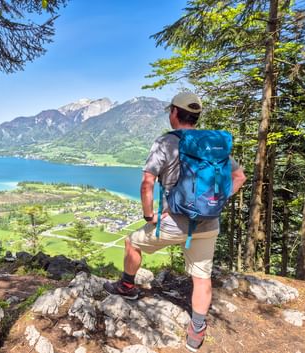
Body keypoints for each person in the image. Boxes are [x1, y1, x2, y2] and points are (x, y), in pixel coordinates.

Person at [103, 92, 247, 352]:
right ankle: (196, 332)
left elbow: (147, 183)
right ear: (196, 116)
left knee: (131, 244)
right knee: (202, 278)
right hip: (208, 224)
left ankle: (126, 286)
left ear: (174, 113)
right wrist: (218, 200)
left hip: (173, 222)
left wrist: (149, 216)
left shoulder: (166, 143)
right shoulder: (212, 145)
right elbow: (240, 177)